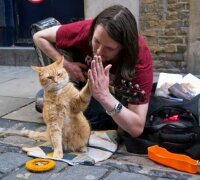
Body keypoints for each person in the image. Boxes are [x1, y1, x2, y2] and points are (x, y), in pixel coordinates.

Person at [32, 5, 153, 137]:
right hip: (81, 85)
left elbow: (137, 128)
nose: (99, 51)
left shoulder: (139, 60)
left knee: (103, 120)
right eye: (96, 41)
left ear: (124, 48)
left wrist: (105, 97)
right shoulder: (86, 29)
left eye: (109, 48)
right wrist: (67, 65)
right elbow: (39, 36)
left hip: (105, 95)